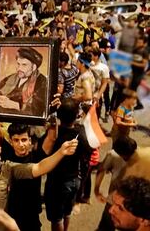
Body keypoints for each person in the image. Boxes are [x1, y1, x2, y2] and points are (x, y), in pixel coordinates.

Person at [44, 98, 92, 231]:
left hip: (57, 182)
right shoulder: (80, 133)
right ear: (76, 115)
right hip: (74, 180)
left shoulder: (56, 136)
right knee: (67, 212)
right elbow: (89, 152)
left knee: (56, 218)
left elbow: (44, 150)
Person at [1, 124, 54, 231]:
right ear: (11, 142)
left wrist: (53, 122)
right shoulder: (6, 156)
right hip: (11, 211)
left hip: (31, 213)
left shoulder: (37, 157)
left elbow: (51, 138)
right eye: (16, 140)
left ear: (30, 141)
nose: (21, 144)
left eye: (24, 140)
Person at [95, 136, 138, 231]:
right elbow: (101, 170)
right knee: (106, 226)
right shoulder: (113, 155)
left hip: (133, 204)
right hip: (114, 201)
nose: (130, 157)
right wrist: (96, 190)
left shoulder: (141, 158)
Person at [0, 47, 47, 116]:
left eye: (24, 65)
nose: (19, 68)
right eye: (18, 64)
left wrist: (15, 105)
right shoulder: (10, 78)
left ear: (34, 67)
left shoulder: (42, 82)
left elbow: (37, 110)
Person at [130, 36, 148, 110]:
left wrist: (133, 63)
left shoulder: (144, 52)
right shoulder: (135, 50)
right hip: (133, 73)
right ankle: (137, 103)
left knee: (132, 89)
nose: (138, 43)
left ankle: (138, 104)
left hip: (139, 74)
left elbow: (143, 65)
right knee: (132, 89)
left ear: (144, 44)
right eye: (137, 42)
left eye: (140, 42)